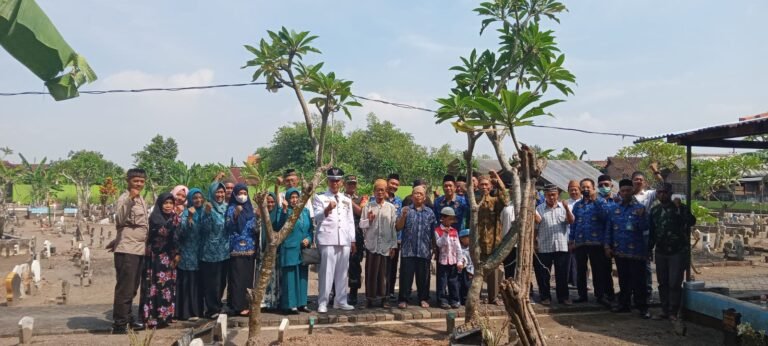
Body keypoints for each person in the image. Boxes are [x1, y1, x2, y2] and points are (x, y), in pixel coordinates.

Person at [110, 168, 149, 334]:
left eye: (141, 181)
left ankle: (127, 317)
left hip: (138, 249)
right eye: (135, 181)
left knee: (133, 287)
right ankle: (120, 323)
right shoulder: (125, 198)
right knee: (125, 288)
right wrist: (129, 200)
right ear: (128, 181)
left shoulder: (141, 199)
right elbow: (119, 219)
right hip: (128, 250)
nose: (138, 184)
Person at [649, 183, 696, 321]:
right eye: (660, 192)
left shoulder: (679, 208)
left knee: (674, 282)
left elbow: (691, 221)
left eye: (665, 192)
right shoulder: (654, 211)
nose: (662, 194)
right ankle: (664, 310)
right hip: (661, 251)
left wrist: (679, 209)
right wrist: (648, 249)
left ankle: (673, 311)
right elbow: (652, 232)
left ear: (670, 193)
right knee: (662, 282)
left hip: (677, 251)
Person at [604, 179, 650, 319]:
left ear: (632, 191)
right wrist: (607, 246)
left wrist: (642, 217)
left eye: (628, 190)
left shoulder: (640, 208)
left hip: (637, 252)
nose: (625, 193)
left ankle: (643, 308)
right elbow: (609, 229)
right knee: (623, 280)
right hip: (620, 251)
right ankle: (624, 305)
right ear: (620, 192)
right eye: (622, 191)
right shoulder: (614, 209)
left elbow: (645, 228)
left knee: (639, 282)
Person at [313, 167, 357, 313]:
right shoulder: (320, 198)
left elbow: (350, 221)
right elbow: (316, 218)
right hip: (327, 238)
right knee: (326, 272)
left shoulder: (346, 200)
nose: (335, 183)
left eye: (337, 181)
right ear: (328, 181)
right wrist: (327, 210)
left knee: (342, 272)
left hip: (343, 238)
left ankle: (341, 300)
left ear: (342, 182)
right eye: (332, 180)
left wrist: (352, 240)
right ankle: (323, 302)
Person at [569, 179, 612, 306]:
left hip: (597, 243)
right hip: (580, 243)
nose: (585, 189)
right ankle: (582, 295)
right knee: (580, 271)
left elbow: (606, 216)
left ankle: (600, 295)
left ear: (593, 188)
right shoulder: (578, 205)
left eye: (588, 187)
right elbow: (573, 224)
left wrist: (596, 200)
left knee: (598, 270)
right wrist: (571, 240)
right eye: (583, 187)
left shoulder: (600, 202)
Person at [140, 193, 180, 328]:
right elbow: (163, 233)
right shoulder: (155, 219)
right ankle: (152, 316)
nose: (168, 206)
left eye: (171, 203)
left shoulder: (174, 218)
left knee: (166, 287)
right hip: (155, 258)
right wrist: (173, 221)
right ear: (160, 204)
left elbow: (177, 237)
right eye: (165, 203)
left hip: (169, 258)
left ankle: (166, 315)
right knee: (154, 287)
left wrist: (177, 253)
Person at [359, 179, 397, 308]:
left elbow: (393, 227)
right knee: (371, 273)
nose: (380, 192)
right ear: (373, 192)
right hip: (372, 244)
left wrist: (393, 245)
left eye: (382, 190)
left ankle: (384, 299)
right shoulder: (368, 207)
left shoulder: (391, 208)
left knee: (384, 273)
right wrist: (368, 221)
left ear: (386, 192)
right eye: (377, 190)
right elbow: (361, 225)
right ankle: (369, 299)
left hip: (386, 245)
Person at [396, 185, 436, 309]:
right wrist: (403, 216)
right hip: (408, 250)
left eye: (420, 194)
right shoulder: (406, 210)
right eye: (415, 193)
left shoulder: (429, 212)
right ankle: (404, 299)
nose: (418, 195)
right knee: (406, 276)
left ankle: (423, 298)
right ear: (412, 195)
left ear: (424, 197)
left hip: (424, 250)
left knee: (423, 277)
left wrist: (434, 247)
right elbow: (398, 227)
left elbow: (433, 232)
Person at [534, 184, 574, 306]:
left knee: (562, 274)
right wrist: (534, 243)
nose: (552, 197)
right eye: (549, 195)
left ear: (558, 195)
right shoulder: (539, 209)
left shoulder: (564, 207)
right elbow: (535, 228)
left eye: (554, 194)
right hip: (544, 246)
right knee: (543, 274)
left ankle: (563, 297)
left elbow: (571, 221)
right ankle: (545, 297)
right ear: (545, 195)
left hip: (561, 246)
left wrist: (567, 209)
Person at [277, 188, 314, 314]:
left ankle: (302, 303)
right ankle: (290, 305)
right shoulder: (285, 211)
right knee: (290, 277)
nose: (294, 200)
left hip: (303, 249)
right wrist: (284, 210)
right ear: (287, 199)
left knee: (302, 277)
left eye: (296, 197)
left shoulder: (305, 211)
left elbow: (310, 230)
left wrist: (308, 239)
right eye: (291, 197)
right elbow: (279, 226)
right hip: (289, 249)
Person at [226, 183, 259, 316]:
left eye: (245, 193)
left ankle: (246, 304)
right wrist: (235, 215)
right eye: (240, 193)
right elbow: (227, 226)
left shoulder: (251, 208)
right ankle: (236, 305)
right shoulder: (231, 208)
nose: (242, 196)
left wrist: (258, 217)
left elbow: (256, 227)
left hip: (250, 249)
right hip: (236, 248)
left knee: (247, 278)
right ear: (235, 194)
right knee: (236, 278)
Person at [476, 171, 508, 305]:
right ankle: (476, 296)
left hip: (493, 241)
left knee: (494, 269)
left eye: (486, 185)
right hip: (478, 241)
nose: (484, 187)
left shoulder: (495, 202)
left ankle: (493, 296)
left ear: (490, 187)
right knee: (477, 269)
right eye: (481, 184)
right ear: (478, 186)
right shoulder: (475, 201)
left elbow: (505, 200)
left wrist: (498, 181)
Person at [199, 182, 229, 319]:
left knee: (222, 282)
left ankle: (218, 305)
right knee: (211, 283)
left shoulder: (227, 208)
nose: (220, 194)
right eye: (217, 192)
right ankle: (211, 309)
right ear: (212, 193)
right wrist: (207, 214)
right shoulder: (208, 208)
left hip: (224, 251)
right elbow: (204, 230)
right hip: (209, 253)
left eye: (222, 192)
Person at [176, 188, 205, 321]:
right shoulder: (186, 213)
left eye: (200, 197)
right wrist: (190, 218)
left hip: (201, 253)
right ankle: (186, 312)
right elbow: (182, 233)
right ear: (190, 200)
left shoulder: (205, 212)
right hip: (188, 253)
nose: (198, 200)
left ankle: (198, 310)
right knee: (188, 282)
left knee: (199, 283)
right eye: (195, 198)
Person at [344, 175, 366, 306]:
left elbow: (361, 212)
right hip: (342, 234)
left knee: (354, 265)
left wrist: (349, 202)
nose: (352, 186)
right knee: (339, 265)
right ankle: (335, 292)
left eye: (354, 184)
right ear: (345, 185)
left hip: (356, 235)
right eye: (349, 184)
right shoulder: (339, 197)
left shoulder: (361, 198)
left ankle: (353, 292)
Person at [435, 207, 462, 309]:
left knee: (453, 282)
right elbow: (439, 244)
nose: (451, 221)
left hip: (453, 261)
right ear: (443, 218)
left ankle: (454, 300)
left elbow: (458, 247)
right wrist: (445, 234)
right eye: (450, 219)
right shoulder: (438, 230)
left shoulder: (454, 231)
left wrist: (459, 261)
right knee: (442, 282)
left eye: (452, 219)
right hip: (443, 261)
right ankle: (442, 300)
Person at [261, 192, 282, 310]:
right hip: (263, 251)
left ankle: (274, 301)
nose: (270, 204)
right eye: (268, 202)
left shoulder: (278, 215)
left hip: (275, 252)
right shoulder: (261, 214)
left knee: (274, 277)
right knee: (264, 277)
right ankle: (264, 301)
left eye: (272, 202)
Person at [385, 173, 403, 301]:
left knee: (392, 265)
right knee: (380, 266)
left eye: (396, 184)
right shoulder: (376, 198)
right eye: (392, 183)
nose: (394, 186)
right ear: (387, 183)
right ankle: (380, 290)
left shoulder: (399, 201)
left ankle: (390, 291)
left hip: (395, 238)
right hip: (380, 239)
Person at [565, 180, 581, 288]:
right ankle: (569, 281)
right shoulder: (565, 203)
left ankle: (579, 282)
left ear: (579, 190)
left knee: (579, 261)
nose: (574, 192)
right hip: (567, 235)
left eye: (576, 190)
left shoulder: (583, 202)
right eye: (571, 190)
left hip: (580, 237)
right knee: (567, 260)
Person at [500, 182, 517, 279]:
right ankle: (508, 290)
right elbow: (501, 223)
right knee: (508, 268)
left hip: (520, 243)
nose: (513, 191)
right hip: (507, 243)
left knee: (520, 268)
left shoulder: (526, 206)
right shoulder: (506, 207)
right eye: (511, 189)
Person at [457, 229, 474, 305]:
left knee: (468, 285)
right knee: (460, 285)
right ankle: (460, 299)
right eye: (468, 237)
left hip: (470, 270)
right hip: (461, 269)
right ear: (461, 239)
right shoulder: (459, 248)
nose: (470, 239)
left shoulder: (472, 248)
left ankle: (467, 299)